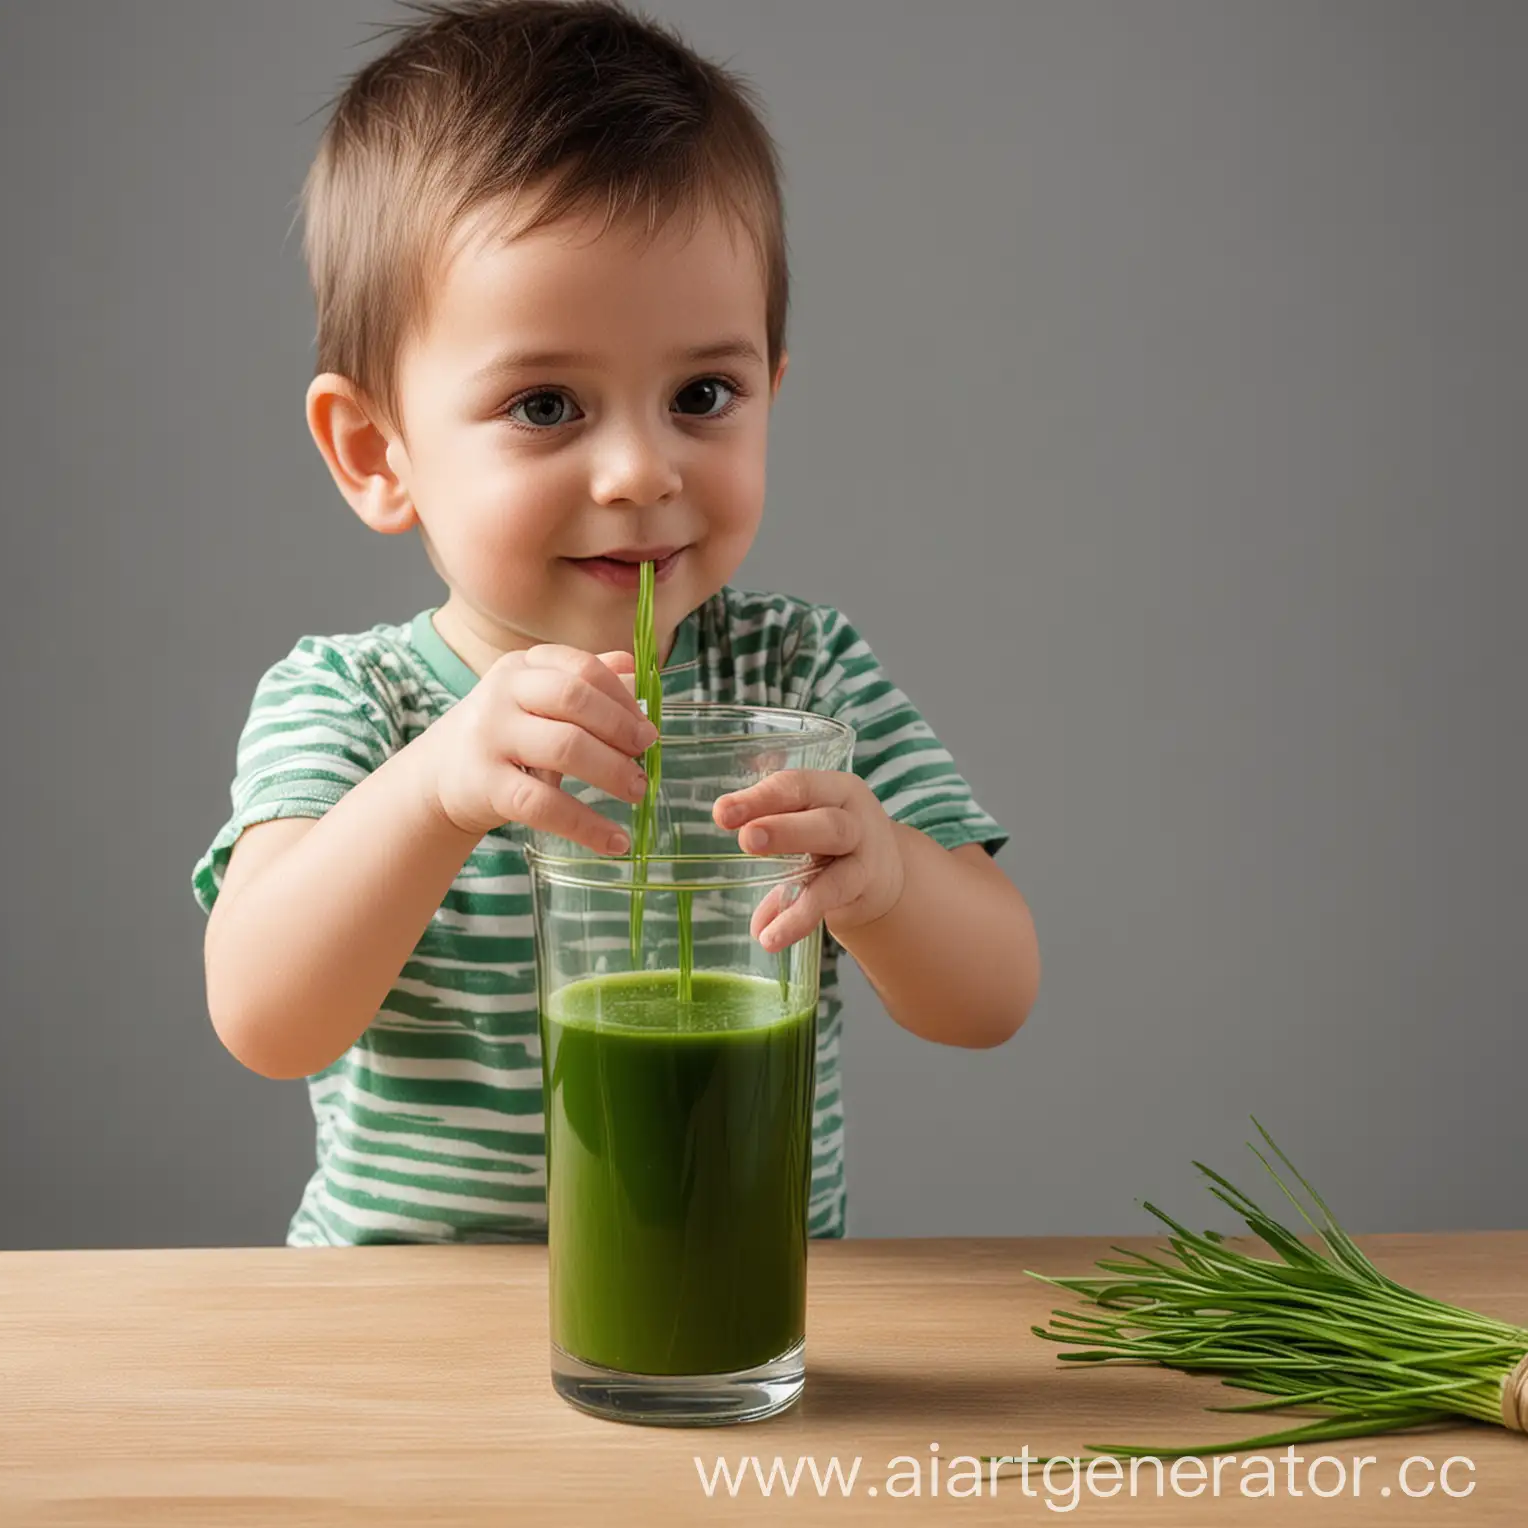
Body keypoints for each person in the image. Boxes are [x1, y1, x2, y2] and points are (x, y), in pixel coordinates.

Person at [193, 0, 1040, 1247]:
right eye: (546, 405)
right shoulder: (356, 707)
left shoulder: (795, 673)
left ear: (770, 393)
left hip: (727, 1329)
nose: (642, 471)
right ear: (378, 451)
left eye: (703, 394)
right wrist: (438, 788)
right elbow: (265, 1016)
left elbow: (995, 994)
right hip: (408, 1347)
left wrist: (887, 876)